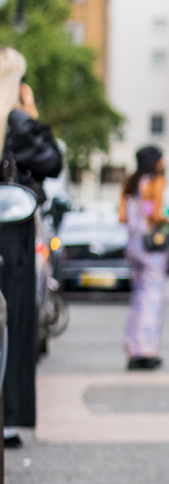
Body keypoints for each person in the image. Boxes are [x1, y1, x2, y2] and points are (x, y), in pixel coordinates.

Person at [0, 70, 63, 433]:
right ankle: (10, 413)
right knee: (14, 319)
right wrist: (34, 117)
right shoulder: (18, 123)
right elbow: (52, 162)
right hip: (11, 234)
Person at [119, 145, 169, 371]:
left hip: (133, 244)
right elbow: (156, 215)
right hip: (151, 247)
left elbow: (121, 216)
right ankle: (146, 350)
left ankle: (132, 347)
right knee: (152, 298)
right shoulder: (155, 182)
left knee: (138, 297)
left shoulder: (130, 182)